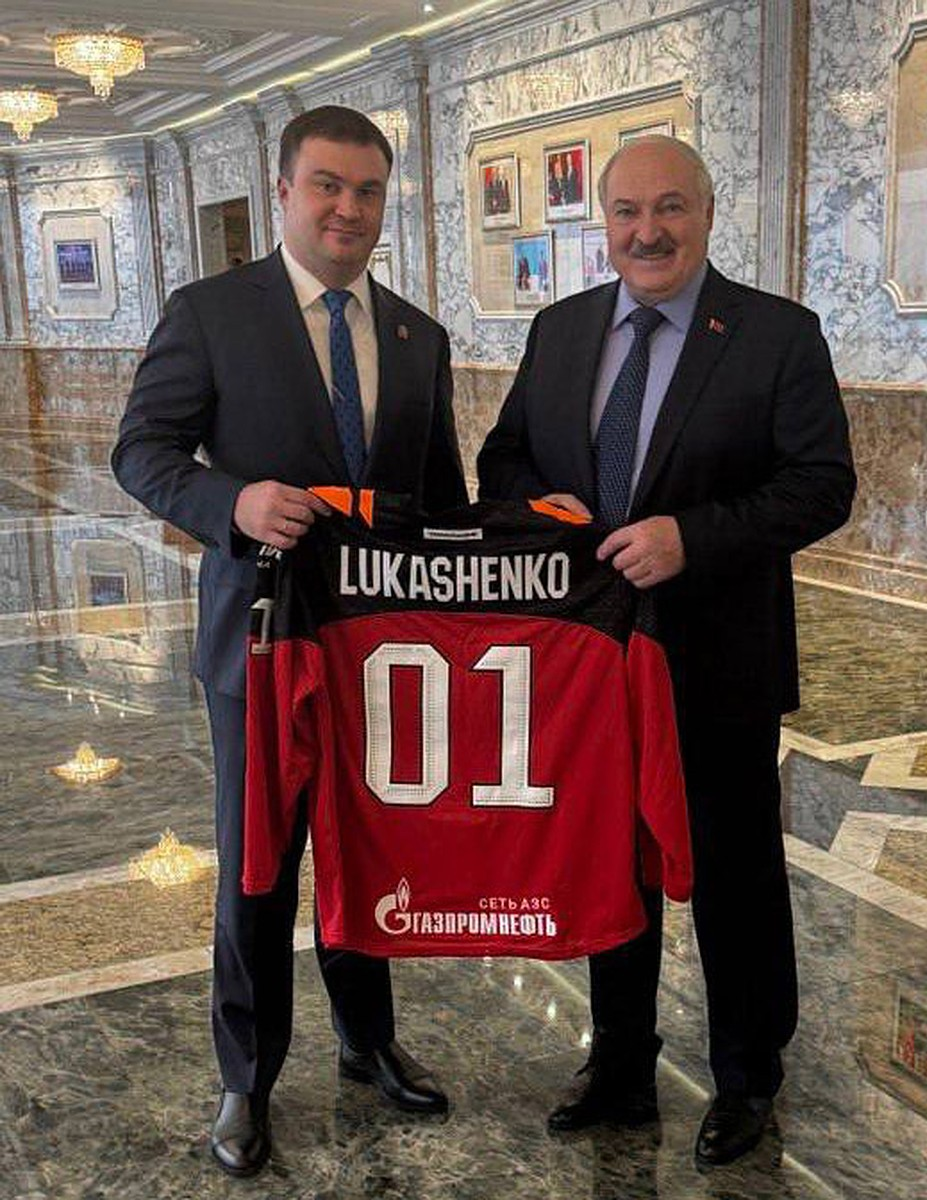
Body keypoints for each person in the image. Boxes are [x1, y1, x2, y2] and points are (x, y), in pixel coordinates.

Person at [477, 136, 855, 1167]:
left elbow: (821, 485)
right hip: (589, 660)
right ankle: (619, 1065)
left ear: (708, 214)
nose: (648, 231)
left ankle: (748, 1075)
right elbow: (504, 456)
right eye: (627, 211)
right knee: (610, 862)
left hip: (718, 661)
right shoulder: (560, 330)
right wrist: (542, 511)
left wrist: (694, 537)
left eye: (671, 208)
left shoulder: (776, 335)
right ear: (603, 222)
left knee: (734, 870)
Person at [111, 105, 466, 1177]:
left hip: (377, 650)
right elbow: (143, 451)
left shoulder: (417, 336)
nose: (348, 209)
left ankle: (368, 1039)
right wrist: (233, 502)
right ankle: (247, 1076)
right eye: (327, 186)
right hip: (257, 645)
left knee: (369, 848)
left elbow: (438, 499)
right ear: (283, 191)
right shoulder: (212, 313)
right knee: (259, 865)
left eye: (367, 191)